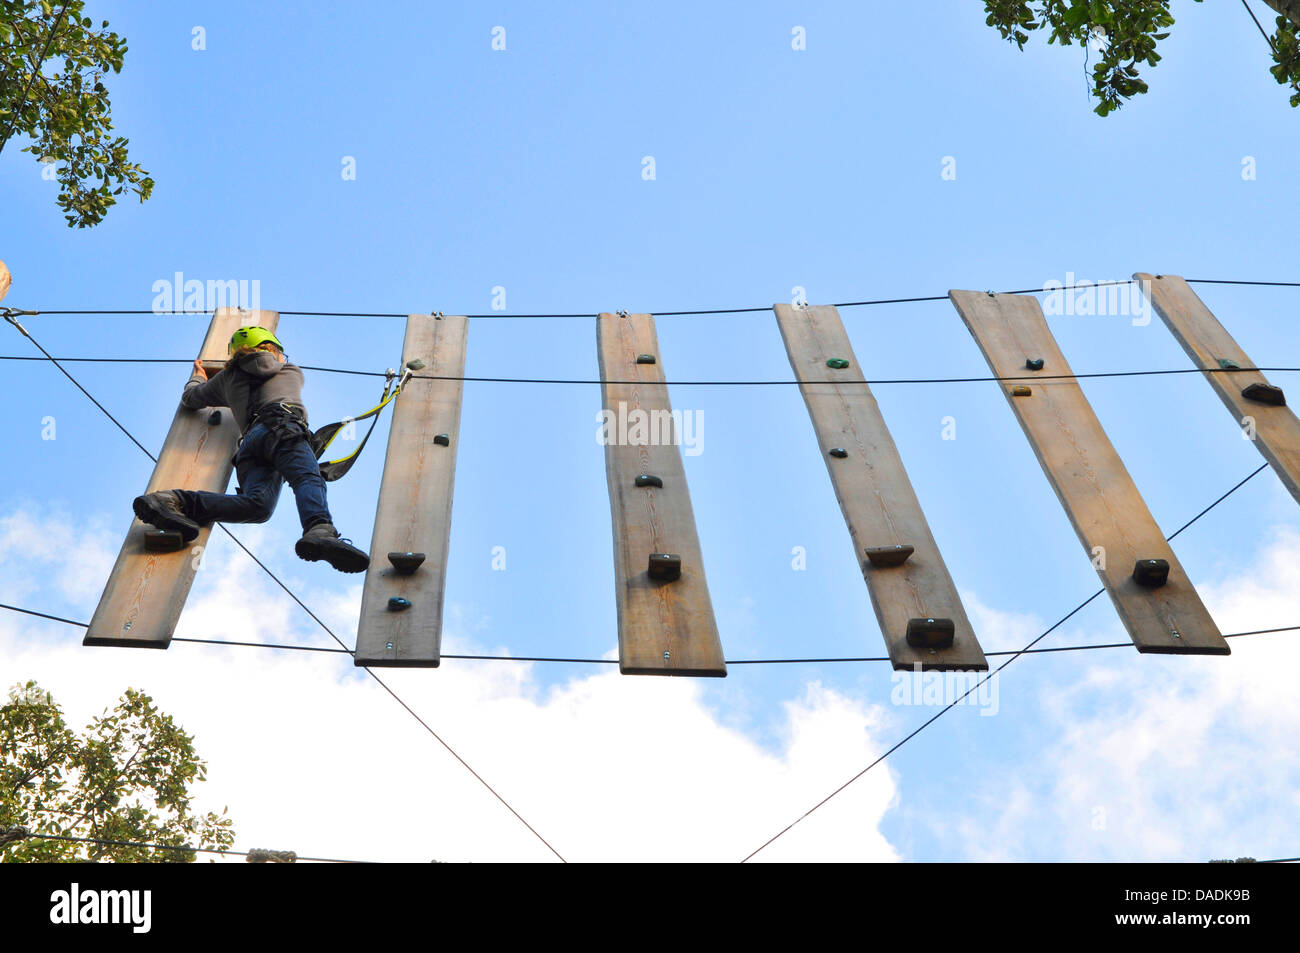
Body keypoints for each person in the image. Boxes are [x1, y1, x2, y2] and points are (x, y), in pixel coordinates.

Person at [132, 326, 370, 573]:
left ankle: (173, 500)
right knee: (307, 477)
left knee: (258, 506)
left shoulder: (226, 379)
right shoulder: (290, 371)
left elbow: (191, 399)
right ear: (272, 350)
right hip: (284, 428)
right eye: (281, 353)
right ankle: (319, 529)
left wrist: (199, 376)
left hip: (251, 444)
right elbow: (268, 374)